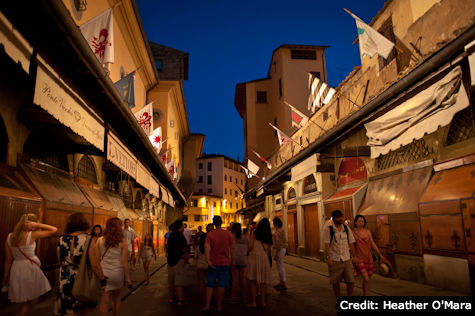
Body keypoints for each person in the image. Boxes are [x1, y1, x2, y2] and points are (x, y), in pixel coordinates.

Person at [2, 213, 57, 316]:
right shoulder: (32, 235)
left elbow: (8, 259)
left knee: (23, 300)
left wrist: (6, 275)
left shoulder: (10, 237)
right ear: (25, 223)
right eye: (33, 223)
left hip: (16, 268)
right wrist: (39, 225)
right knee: (26, 303)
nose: (34, 226)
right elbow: (54, 229)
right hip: (29, 269)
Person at [55, 213, 106, 315]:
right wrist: (103, 279)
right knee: (84, 310)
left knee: (68, 310)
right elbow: (95, 265)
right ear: (84, 223)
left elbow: (60, 262)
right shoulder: (88, 240)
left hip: (65, 279)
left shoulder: (61, 239)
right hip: (83, 279)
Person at [98, 217, 132, 315]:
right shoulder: (123, 241)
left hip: (103, 273)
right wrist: (128, 278)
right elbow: (124, 262)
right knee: (116, 299)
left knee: (104, 301)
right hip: (117, 273)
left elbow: (98, 258)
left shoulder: (100, 240)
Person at [202, 216, 235, 313]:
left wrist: (208, 260)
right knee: (222, 284)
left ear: (213, 223)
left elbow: (206, 247)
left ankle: (207, 305)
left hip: (213, 262)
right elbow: (232, 248)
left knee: (210, 284)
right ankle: (219, 306)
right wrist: (232, 261)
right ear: (221, 222)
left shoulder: (210, 234)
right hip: (225, 262)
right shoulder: (228, 234)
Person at [353, 215, 391, 296]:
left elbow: (372, 243)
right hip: (359, 258)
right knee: (366, 278)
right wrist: (353, 257)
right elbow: (351, 246)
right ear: (355, 222)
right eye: (359, 221)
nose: (361, 223)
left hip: (368, 257)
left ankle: (365, 295)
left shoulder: (367, 231)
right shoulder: (353, 233)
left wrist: (379, 254)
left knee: (367, 280)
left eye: (362, 221)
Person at [323, 210, 357, 299]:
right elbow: (326, 244)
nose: (341, 219)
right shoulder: (329, 229)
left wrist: (354, 256)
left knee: (350, 281)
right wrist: (328, 258)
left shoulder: (346, 229)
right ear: (334, 218)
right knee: (335, 281)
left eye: (341, 217)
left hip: (346, 258)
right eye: (338, 217)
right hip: (335, 259)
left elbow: (351, 243)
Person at [246, 218, 272, 308]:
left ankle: (254, 302)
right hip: (264, 258)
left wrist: (247, 253)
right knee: (263, 282)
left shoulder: (254, 232)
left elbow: (250, 246)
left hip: (254, 257)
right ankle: (263, 302)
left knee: (253, 281)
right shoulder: (269, 235)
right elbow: (268, 250)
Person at [166, 220, 189, 305]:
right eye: (183, 226)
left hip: (170, 260)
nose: (183, 227)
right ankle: (180, 298)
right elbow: (184, 247)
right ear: (180, 226)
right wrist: (186, 255)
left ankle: (171, 298)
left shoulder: (171, 235)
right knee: (179, 280)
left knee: (171, 280)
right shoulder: (180, 235)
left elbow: (169, 247)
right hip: (179, 260)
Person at [230, 222, 248, 303]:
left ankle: (234, 297)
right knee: (242, 279)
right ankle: (244, 297)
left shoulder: (231, 238)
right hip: (243, 259)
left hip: (234, 260)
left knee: (235, 280)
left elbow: (230, 249)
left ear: (233, 229)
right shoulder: (245, 238)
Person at [195, 224, 213, 304]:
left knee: (201, 284)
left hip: (200, 266)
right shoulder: (210, 247)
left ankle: (202, 298)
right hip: (208, 266)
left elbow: (195, 257)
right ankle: (209, 297)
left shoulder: (198, 248)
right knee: (209, 282)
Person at [272, 217, 287, 291]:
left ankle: (283, 283)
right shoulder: (280, 230)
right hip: (282, 249)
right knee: (280, 266)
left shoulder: (278, 232)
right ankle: (281, 282)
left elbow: (278, 243)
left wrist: (276, 254)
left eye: (273, 223)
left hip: (280, 250)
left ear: (275, 224)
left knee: (280, 266)